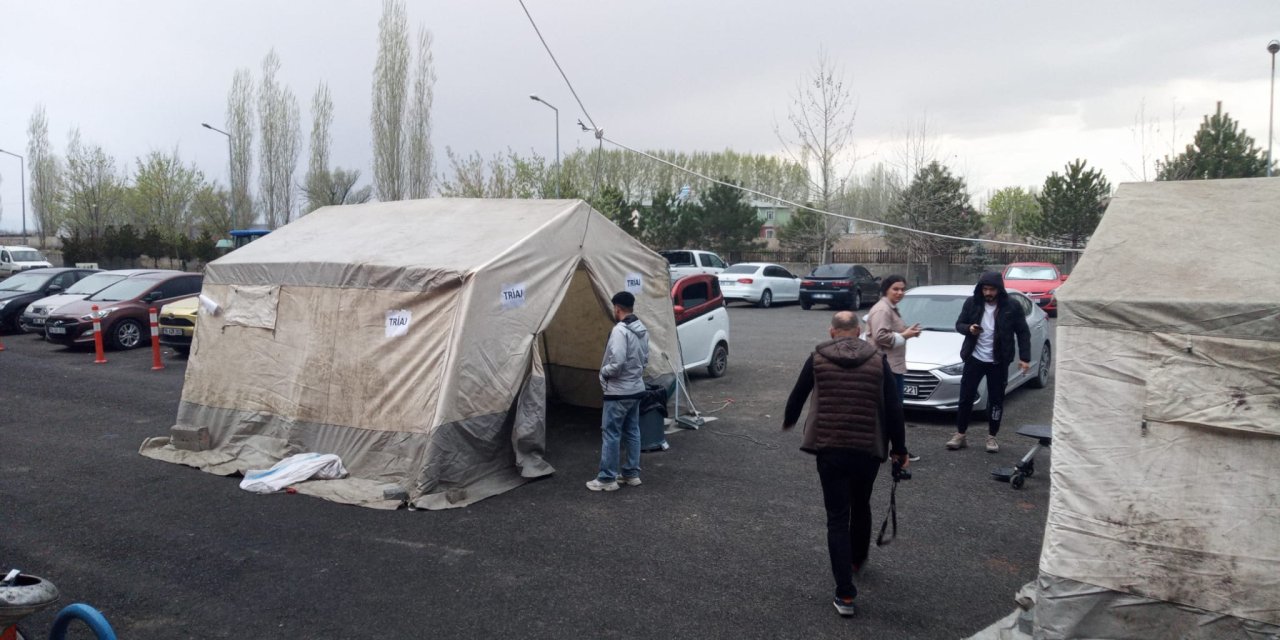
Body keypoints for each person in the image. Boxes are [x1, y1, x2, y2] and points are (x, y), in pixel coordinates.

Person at [782, 311, 909, 618]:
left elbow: (798, 395)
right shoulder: (878, 360)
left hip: (830, 448)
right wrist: (899, 449)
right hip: (867, 449)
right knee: (861, 503)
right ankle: (857, 559)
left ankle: (845, 594)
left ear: (832, 331)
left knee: (837, 517)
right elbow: (894, 408)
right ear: (860, 331)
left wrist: (789, 420)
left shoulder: (817, 358)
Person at [947, 271, 1031, 453]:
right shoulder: (972, 303)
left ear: (999, 290)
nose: (988, 293)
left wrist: (1025, 358)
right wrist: (969, 328)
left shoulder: (1012, 306)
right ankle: (960, 435)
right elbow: (959, 324)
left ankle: (992, 437)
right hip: (974, 358)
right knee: (965, 397)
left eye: (992, 289)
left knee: (996, 400)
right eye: (985, 289)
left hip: (998, 361)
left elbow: (1023, 332)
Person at [586, 291, 651, 492]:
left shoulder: (620, 331)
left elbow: (617, 362)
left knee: (611, 433)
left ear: (617, 308)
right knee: (632, 431)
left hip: (618, 391)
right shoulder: (643, 330)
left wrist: (604, 372)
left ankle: (607, 478)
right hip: (636, 389)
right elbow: (645, 360)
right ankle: (631, 474)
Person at [865, 274, 923, 462]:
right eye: (895, 289)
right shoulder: (883, 309)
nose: (900, 292)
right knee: (892, 411)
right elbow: (881, 336)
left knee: (891, 411)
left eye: (902, 289)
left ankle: (894, 449)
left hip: (893, 366)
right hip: (886, 368)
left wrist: (908, 332)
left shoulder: (891, 308)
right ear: (886, 290)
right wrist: (905, 335)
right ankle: (895, 451)